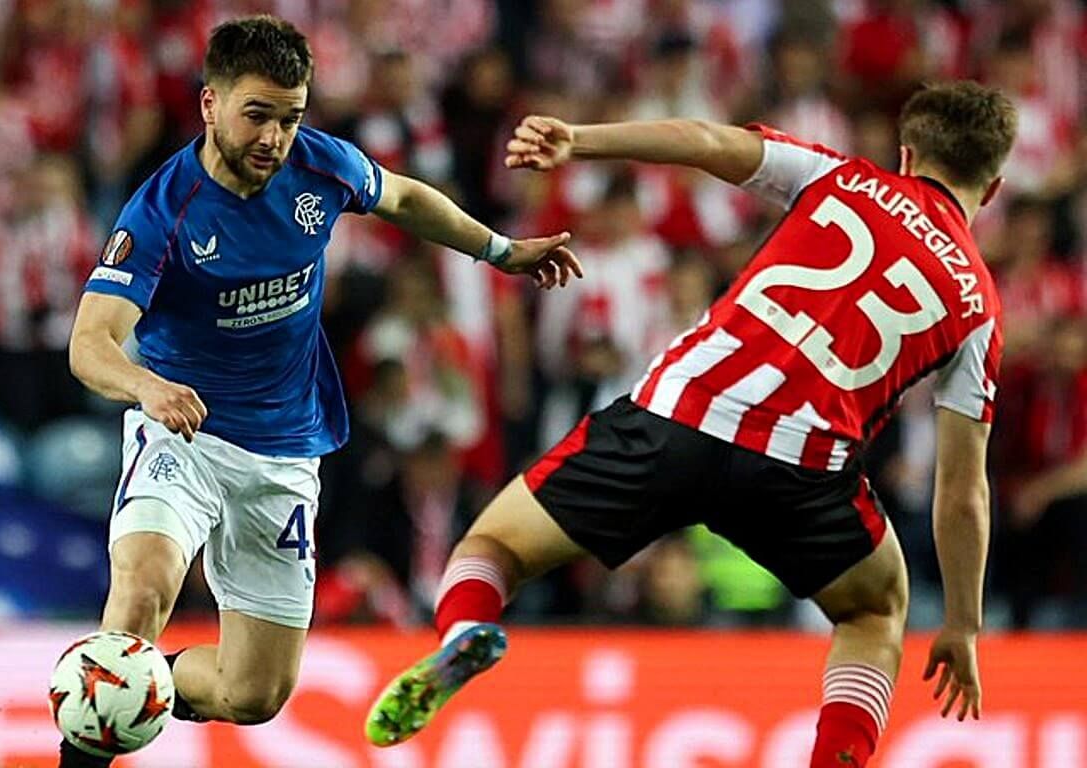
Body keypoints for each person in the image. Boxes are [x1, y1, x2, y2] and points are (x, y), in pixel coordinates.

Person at [365, 80, 1017, 768]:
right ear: (994, 186)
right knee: (876, 611)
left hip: (679, 414)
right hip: (799, 467)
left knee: (494, 547)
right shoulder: (979, 306)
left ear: (907, 156)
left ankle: (466, 631)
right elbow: (963, 491)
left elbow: (704, 141)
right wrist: (963, 627)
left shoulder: (843, 179)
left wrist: (581, 140)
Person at [59, 15, 580, 767]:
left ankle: (145, 688)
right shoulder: (162, 210)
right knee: (141, 594)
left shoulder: (320, 165)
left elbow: (403, 198)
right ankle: (87, 739)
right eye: (258, 115)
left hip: (285, 449)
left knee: (254, 695)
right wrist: (148, 387)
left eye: (291, 116)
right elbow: (89, 343)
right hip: (185, 434)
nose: (275, 137)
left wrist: (498, 251)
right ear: (210, 104)